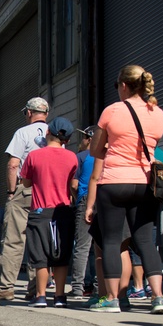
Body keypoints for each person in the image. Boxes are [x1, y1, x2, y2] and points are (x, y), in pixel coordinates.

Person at [85, 64, 163, 314]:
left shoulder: (112, 111)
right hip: (144, 183)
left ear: (123, 85)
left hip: (114, 182)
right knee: (145, 241)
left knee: (111, 241)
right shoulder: (157, 113)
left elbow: (95, 150)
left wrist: (114, 147)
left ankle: (112, 299)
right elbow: (151, 145)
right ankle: (158, 297)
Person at [0, 96, 50, 301]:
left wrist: (11, 192)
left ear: (29, 113)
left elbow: (13, 164)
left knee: (13, 239)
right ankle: (36, 289)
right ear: (46, 114)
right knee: (39, 240)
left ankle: (5, 287)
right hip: (47, 192)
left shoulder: (23, 133)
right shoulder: (54, 134)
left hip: (25, 189)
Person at [20, 117, 79, 307]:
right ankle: (60, 296)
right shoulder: (72, 157)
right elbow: (73, 185)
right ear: (67, 139)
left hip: (40, 211)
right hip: (63, 210)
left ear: (47, 132)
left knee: (41, 256)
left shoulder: (34, 156)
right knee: (61, 255)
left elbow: (26, 182)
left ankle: (41, 296)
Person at [69, 127, 96, 297]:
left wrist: (77, 198)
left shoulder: (81, 157)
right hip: (105, 200)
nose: (82, 141)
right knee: (100, 247)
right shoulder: (108, 156)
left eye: (84, 137)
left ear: (89, 139)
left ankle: (78, 287)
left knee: (82, 246)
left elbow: (74, 184)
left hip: (85, 199)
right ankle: (99, 286)